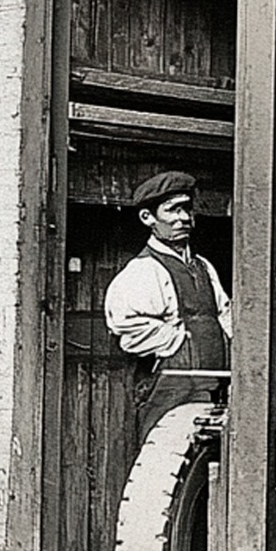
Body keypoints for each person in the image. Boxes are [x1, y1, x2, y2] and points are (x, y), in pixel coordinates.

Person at [103, 171, 231, 442]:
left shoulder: (204, 267)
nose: (184, 218)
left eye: (187, 209)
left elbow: (225, 316)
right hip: (168, 394)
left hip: (213, 390)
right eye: (173, 210)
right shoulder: (143, 270)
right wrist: (177, 340)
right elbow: (126, 329)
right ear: (148, 218)